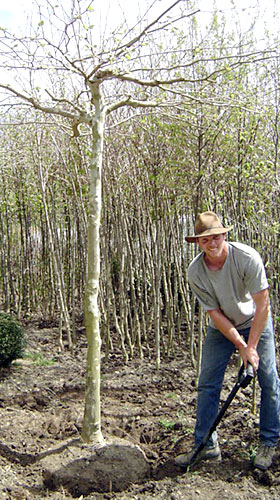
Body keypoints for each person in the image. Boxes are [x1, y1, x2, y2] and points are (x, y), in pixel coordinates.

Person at [175, 211, 280, 470]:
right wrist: (241, 346)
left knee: (268, 379)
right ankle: (206, 446)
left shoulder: (246, 258)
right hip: (223, 327)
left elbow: (263, 304)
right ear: (198, 243)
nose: (212, 244)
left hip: (256, 321)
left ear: (224, 235)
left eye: (216, 237)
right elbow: (214, 313)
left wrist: (252, 347)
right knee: (207, 383)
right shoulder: (195, 271)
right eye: (205, 240)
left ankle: (268, 441)